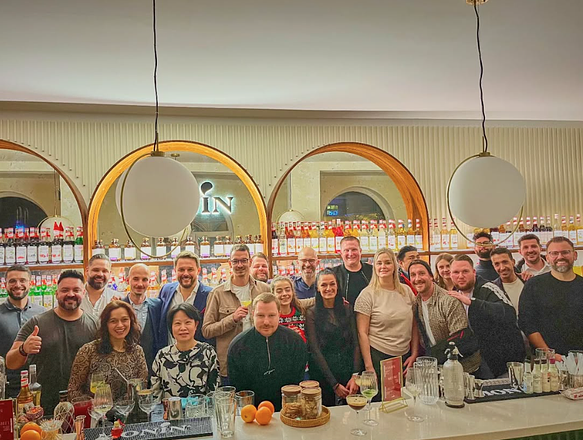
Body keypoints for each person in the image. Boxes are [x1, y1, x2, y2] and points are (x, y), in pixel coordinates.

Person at [6, 270, 98, 413]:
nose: (71, 294)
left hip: (84, 405)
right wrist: (23, 349)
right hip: (45, 407)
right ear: (56, 293)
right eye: (65, 290)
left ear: (83, 293)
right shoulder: (37, 323)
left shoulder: (95, 324)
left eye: (76, 290)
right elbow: (10, 362)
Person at [202, 244, 270, 383]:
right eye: (235, 261)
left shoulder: (264, 289)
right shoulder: (217, 293)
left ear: (250, 262)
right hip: (230, 364)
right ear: (229, 264)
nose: (240, 265)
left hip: (260, 361)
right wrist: (232, 319)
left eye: (244, 260)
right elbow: (207, 330)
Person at [228, 293, 307, 411]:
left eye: (271, 315)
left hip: (288, 409)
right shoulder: (237, 347)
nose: (266, 322)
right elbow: (239, 390)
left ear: (279, 314)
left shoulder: (295, 342)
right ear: (252, 314)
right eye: (260, 315)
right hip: (252, 412)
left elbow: (296, 382)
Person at [448, 255, 525, 377]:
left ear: (474, 272)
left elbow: (509, 313)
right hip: (475, 361)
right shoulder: (453, 295)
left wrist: (473, 302)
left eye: (465, 271)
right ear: (450, 274)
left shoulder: (488, 287)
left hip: (503, 363)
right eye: (456, 272)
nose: (460, 276)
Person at [355, 248, 419, 392]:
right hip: (378, 356)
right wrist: (369, 367)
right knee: (381, 401)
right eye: (379, 263)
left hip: (404, 356)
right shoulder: (367, 295)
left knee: (403, 399)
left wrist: (414, 353)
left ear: (394, 265)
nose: (383, 266)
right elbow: (362, 333)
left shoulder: (407, 291)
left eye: (387, 263)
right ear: (374, 267)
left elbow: (414, 325)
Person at [409, 260, 481, 374]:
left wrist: (433, 357)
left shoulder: (449, 301)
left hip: (464, 369)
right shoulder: (415, 304)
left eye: (422, 273)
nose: (417, 279)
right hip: (437, 368)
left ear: (431, 276)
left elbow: (460, 341)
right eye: (413, 275)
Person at [68, 301, 148, 401]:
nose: (120, 325)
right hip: (95, 410)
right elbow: (73, 390)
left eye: (124, 320)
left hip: (129, 409)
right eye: (113, 321)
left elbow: (141, 388)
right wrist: (92, 403)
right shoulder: (89, 350)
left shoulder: (137, 351)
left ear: (131, 322)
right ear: (105, 324)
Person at [519, 237, 583, 358]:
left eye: (565, 252)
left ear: (575, 255)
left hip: (580, 359)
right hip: (546, 361)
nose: (560, 257)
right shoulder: (534, 285)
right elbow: (527, 323)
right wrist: (549, 354)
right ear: (547, 257)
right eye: (554, 253)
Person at [305, 269, 360, 406]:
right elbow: (315, 350)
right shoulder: (311, 313)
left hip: (347, 371)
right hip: (323, 373)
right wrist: (334, 384)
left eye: (332, 284)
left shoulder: (348, 309)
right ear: (318, 288)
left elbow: (356, 343)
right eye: (323, 285)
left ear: (337, 285)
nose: (328, 288)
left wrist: (355, 375)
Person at [152, 303, 219, 399]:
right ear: (171, 327)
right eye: (177, 323)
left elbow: (214, 393)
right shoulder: (162, 356)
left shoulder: (208, 353)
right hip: (170, 408)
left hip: (201, 408)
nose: (183, 328)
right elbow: (156, 395)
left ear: (196, 325)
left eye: (188, 322)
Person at [0, 265, 45, 398]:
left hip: (37, 384)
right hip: (7, 387)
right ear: (5, 285)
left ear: (30, 283)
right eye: (12, 281)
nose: (17, 285)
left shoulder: (42, 313)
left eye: (22, 280)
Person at [159, 251, 213, 345]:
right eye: (181, 270)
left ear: (198, 270)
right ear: (175, 271)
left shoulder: (210, 294)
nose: (186, 273)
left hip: (199, 352)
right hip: (169, 352)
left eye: (190, 269)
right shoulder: (166, 290)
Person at [122, 263, 163, 376]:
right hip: (124, 369)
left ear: (149, 281)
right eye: (136, 279)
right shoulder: (119, 306)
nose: (140, 284)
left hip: (152, 369)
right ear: (128, 280)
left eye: (144, 279)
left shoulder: (158, 306)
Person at [330, 237, 373, 306]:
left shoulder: (373, 271)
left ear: (360, 251)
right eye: (346, 250)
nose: (350, 254)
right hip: (343, 312)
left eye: (354, 250)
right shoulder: (333, 274)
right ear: (341, 253)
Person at [271, 276, 313, 342]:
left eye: (287, 290)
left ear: (293, 292)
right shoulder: (270, 318)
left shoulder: (302, 313)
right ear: (273, 294)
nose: (284, 294)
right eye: (279, 291)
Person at [81, 254, 118, 319]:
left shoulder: (116, 299)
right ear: (87, 271)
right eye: (96, 270)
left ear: (110, 274)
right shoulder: (74, 297)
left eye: (104, 271)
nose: (100, 274)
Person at [490, 248, 524, 312]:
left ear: (513, 262)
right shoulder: (492, 289)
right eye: (497, 264)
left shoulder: (526, 281)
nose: (502, 268)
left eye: (505, 262)